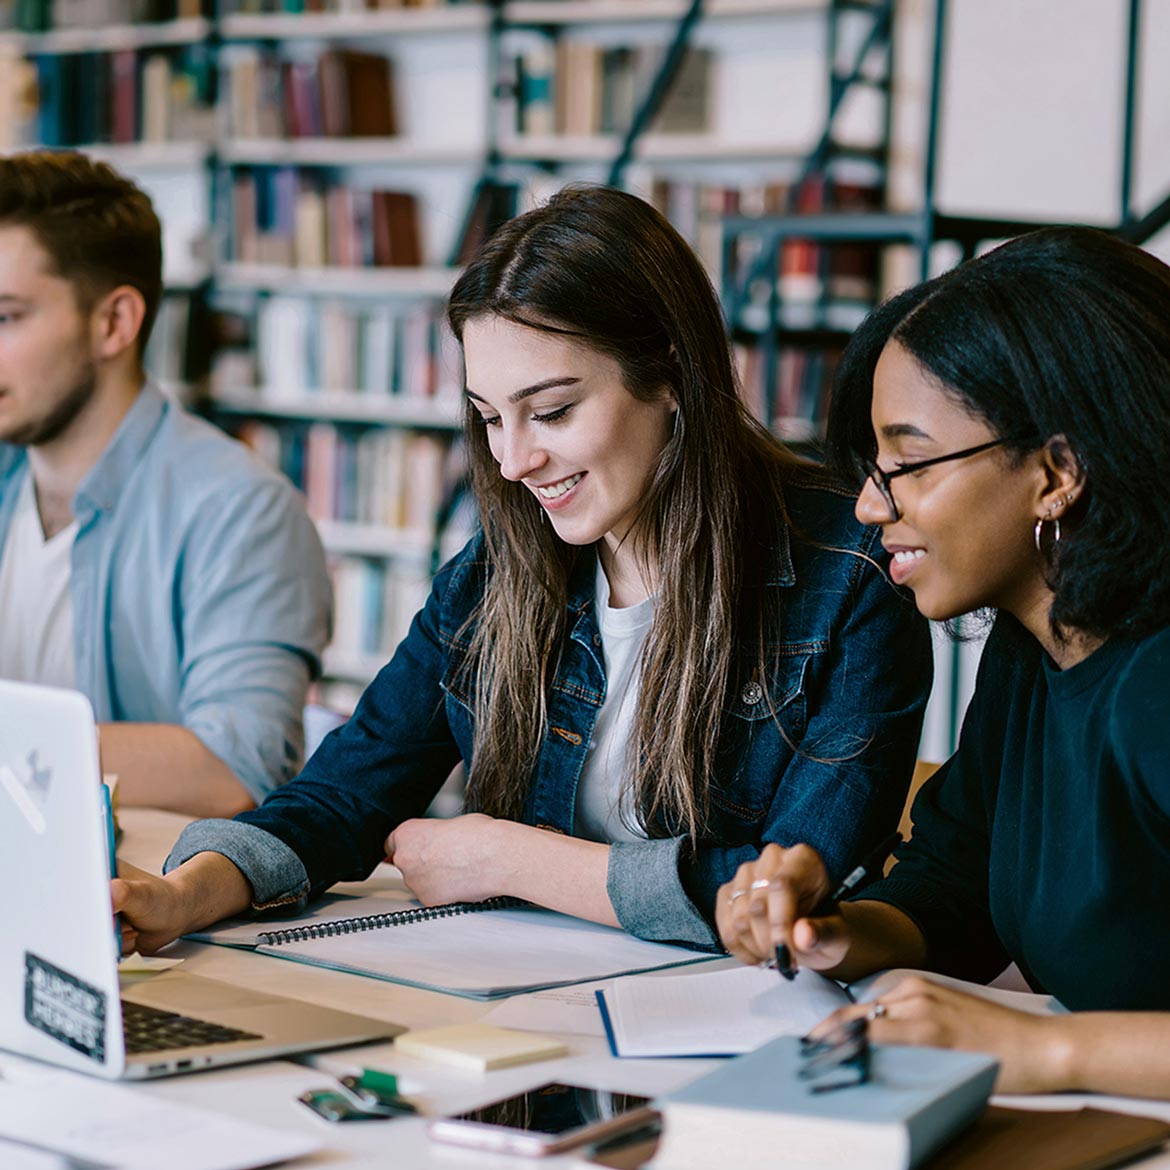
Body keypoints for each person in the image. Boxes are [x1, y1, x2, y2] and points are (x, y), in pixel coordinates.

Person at [113, 185, 929, 955]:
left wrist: (510, 860)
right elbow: (342, 794)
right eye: (488, 417)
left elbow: (786, 898)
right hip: (516, 1015)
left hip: (737, 1036)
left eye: (552, 411)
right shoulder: (496, 570)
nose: (512, 462)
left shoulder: (854, 571)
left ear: (672, 374)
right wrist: (184, 895)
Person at [717, 226, 1170, 1097]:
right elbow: (958, 887)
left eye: (908, 463)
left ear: (1057, 471)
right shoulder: (1036, 644)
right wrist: (836, 930)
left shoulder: (1157, 687)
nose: (866, 504)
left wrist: (1044, 1053)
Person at [0, 150, 331, 817]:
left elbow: (238, 765)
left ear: (114, 323)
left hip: (137, 905)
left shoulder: (241, 509)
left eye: (6, 317)